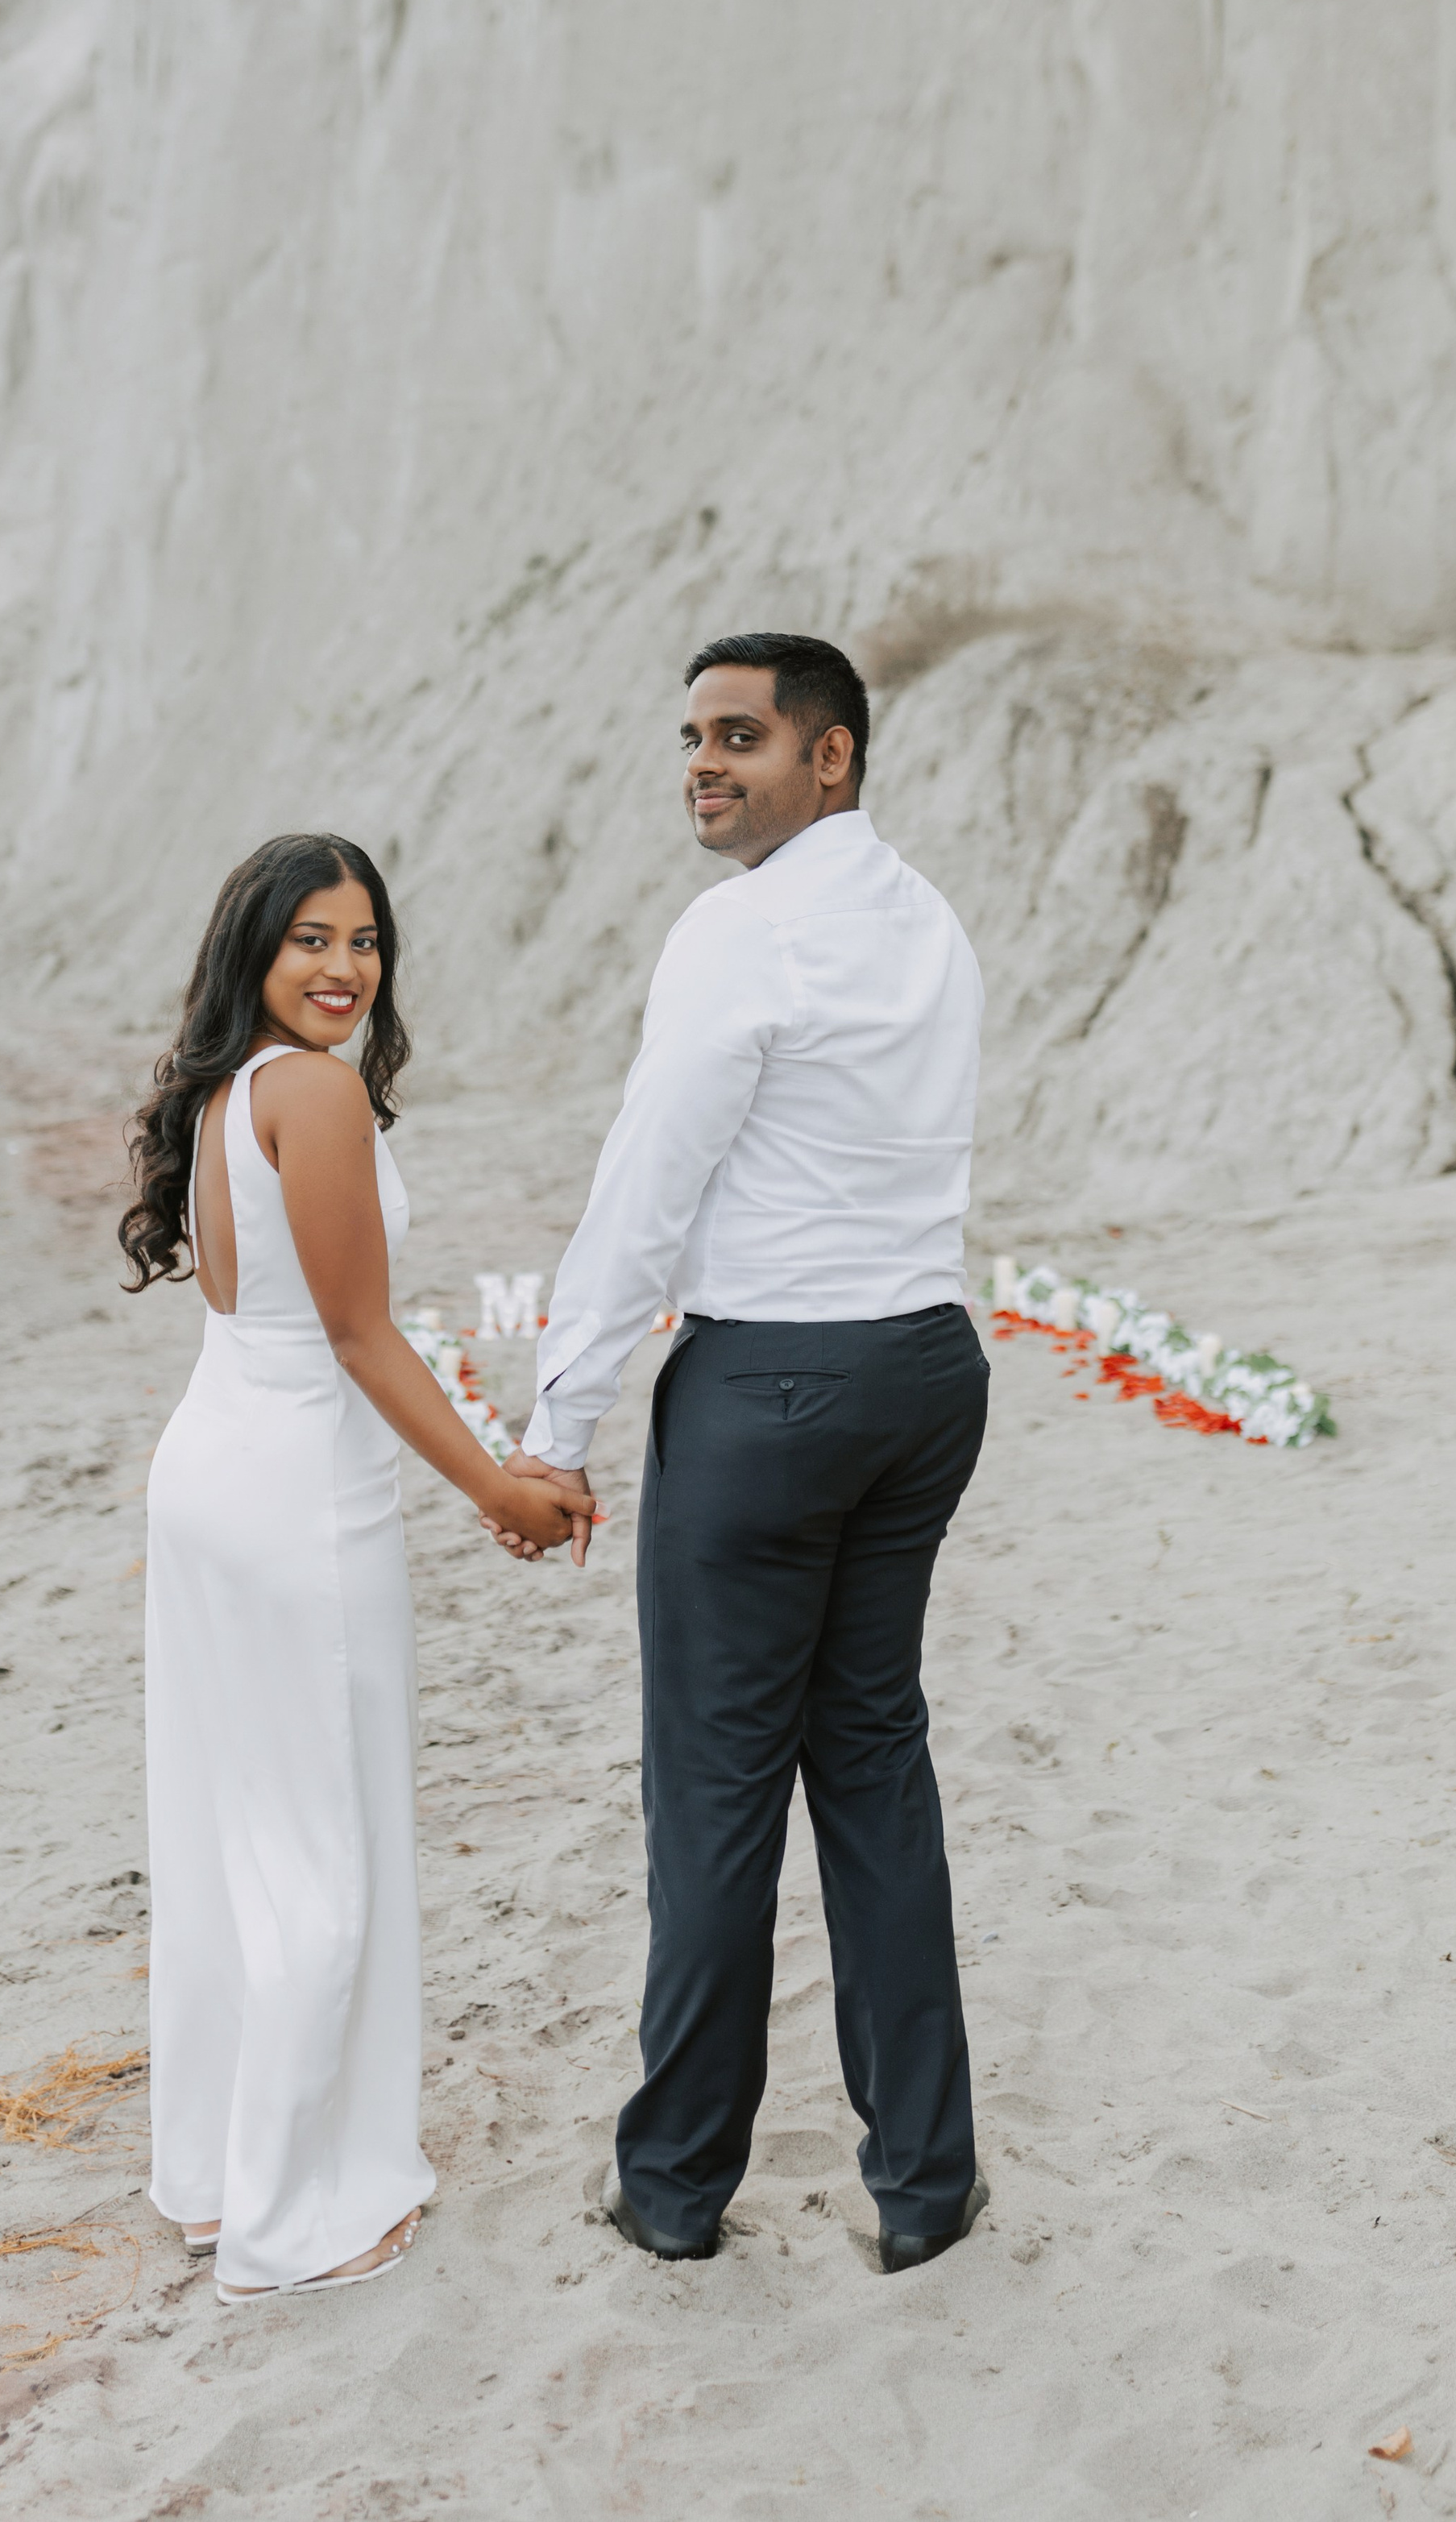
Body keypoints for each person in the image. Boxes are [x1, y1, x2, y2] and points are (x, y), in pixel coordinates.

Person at [500, 634, 991, 2274]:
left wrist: (551, 1422)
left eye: (741, 736)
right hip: (925, 1371)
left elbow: (650, 1182)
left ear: (829, 754)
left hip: (772, 1389)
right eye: (693, 736)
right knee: (869, 1763)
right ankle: (924, 2180)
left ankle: (677, 2181)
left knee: (713, 1790)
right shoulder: (923, 918)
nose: (705, 763)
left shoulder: (738, 931)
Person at [118, 832, 591, 2306]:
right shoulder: (311, 1090)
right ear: (254, 952)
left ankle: (213, 2178)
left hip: (211, 1469)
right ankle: (292, 2217)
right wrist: (499, 1486)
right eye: (310, 938)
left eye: (366, 940)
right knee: (320, 1842)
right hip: (294, 1497)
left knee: (224, 1835)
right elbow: (361, 1336)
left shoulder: (228, 1088)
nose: (343, 967)